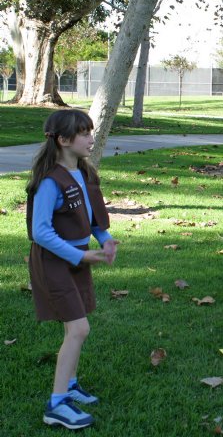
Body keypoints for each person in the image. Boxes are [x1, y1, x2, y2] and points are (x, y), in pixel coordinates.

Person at [26, 110, 119, 430]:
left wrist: (105, 240)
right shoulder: (50, 181)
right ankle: (56, 404)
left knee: (74, 328)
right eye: (84, 133)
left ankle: (70, 384)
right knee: (79, 329)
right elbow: (41, 232)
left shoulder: (85, 172)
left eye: (91, 132)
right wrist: (79, 257)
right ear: (64, 140)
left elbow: (95, 219)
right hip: (54, 262)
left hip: (78, 257)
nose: (91, 138)